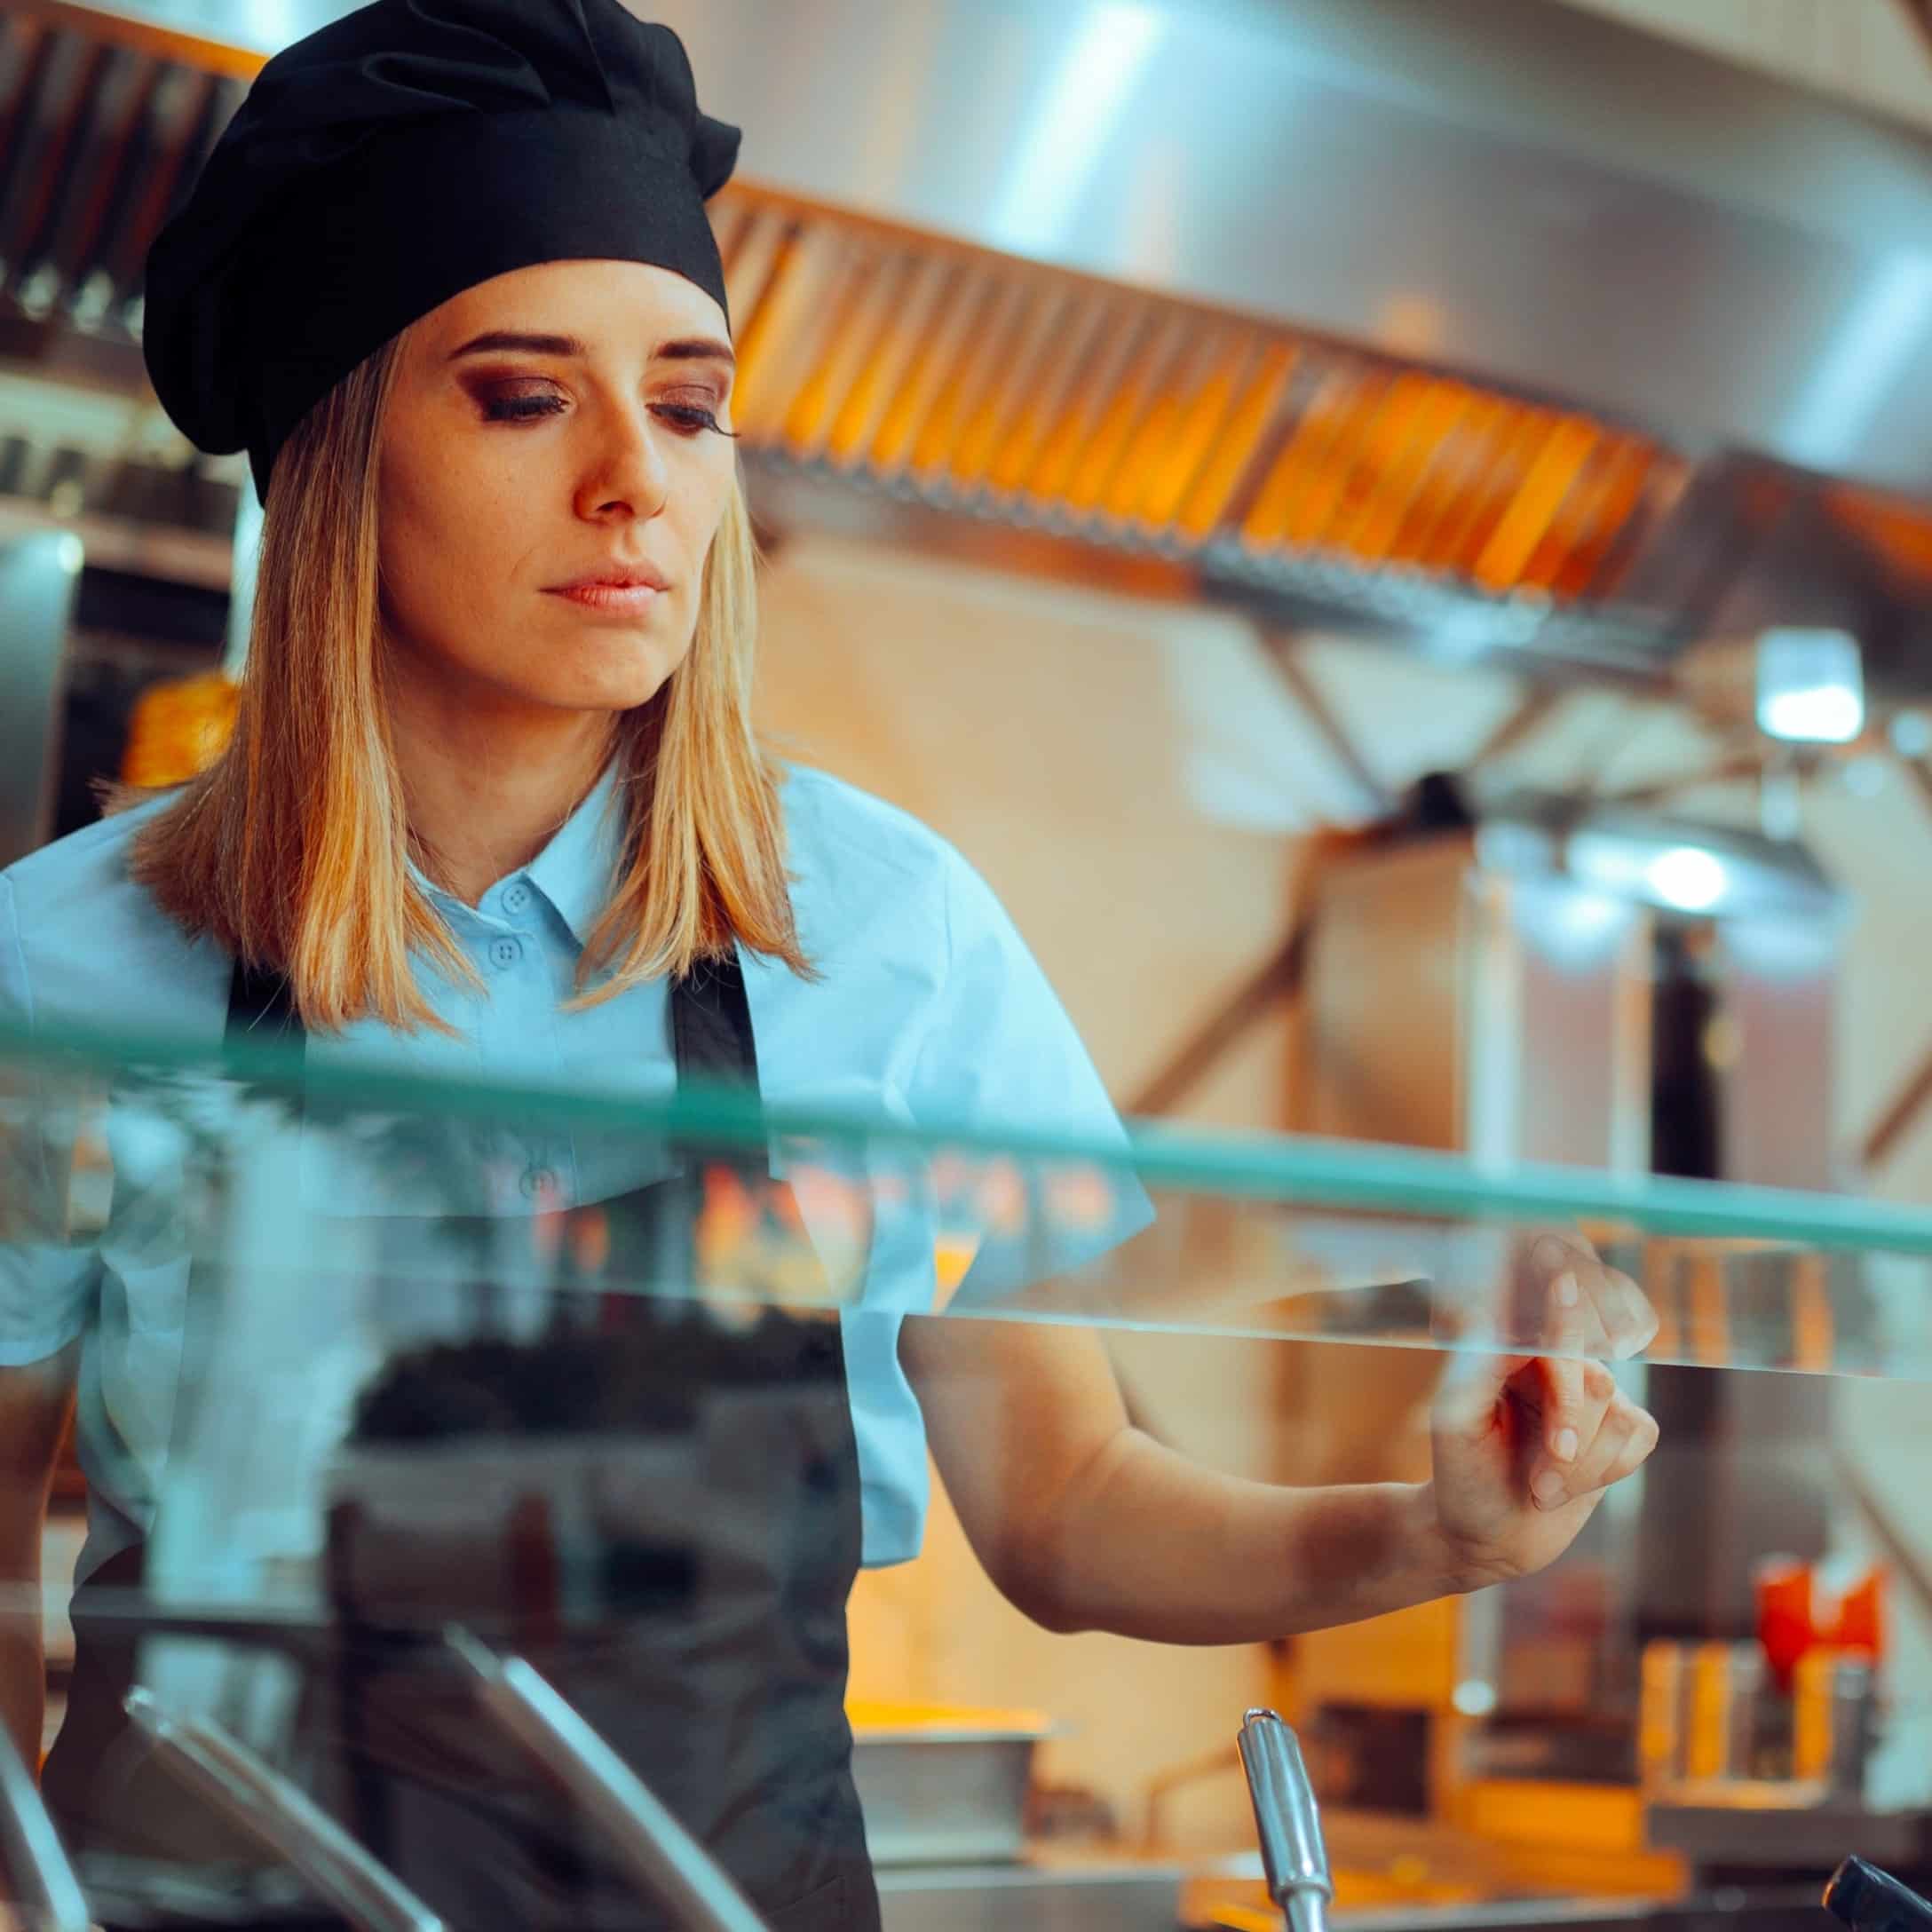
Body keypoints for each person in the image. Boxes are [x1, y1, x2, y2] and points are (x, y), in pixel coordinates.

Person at [0, 4, 1660, 1926]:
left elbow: (1059, 1504)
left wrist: (1432, 1526)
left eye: (689, 401)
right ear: (334, 460)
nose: (638, 478)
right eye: (525, 396)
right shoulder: (60, 967)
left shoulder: (888, 928)